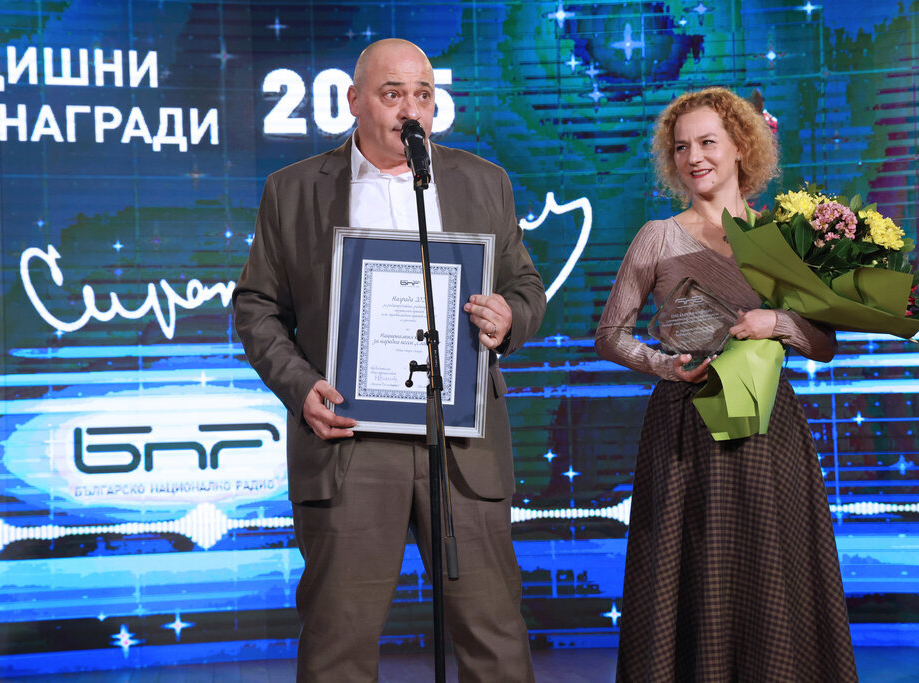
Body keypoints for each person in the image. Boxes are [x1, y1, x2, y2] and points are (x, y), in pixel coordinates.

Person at [234, 38, 545, 682]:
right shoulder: (294, 190)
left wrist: (510, 316)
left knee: (494, 639)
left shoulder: (483, 182)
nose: (411, 110)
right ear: (353, 101)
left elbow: (525, 288)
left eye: (423, 94)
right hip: (350, 441)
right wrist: (300, 386)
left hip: (461, 443)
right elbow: (257, 307)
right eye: (392, 94)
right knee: (338, 647)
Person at [595, 87, 859, 682]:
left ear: (741, 146)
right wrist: (667, 365)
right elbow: (610, 335)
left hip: (769, 432)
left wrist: (776, 324)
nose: (694, 157)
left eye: (708, 142)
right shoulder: (657, 237)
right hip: (685, 431)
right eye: (681, 147)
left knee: (771, 579)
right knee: (691, 579)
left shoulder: (783, 237)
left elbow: (824, 345)